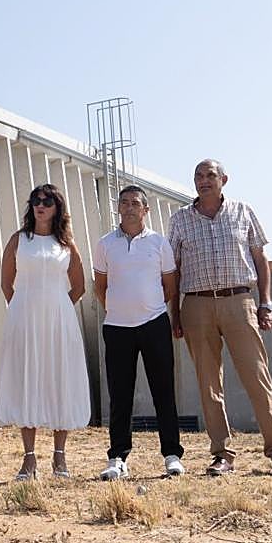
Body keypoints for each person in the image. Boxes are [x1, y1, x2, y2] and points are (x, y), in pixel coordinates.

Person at [168, 159, 272, 477]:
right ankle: (222, 454)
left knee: (257, 377)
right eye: (198, 175)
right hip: (195, 306)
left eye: (210, 175)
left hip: (239, 301)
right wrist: (175, 314)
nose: (204, 180)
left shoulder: (243, 211)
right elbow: (175, 270)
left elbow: (260, 259)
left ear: (224, 179)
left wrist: (266, 303)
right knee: (209, 385)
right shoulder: (180, 220)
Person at [0, 184, 89, 480]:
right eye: (36, 200)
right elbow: (6, 283)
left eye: (47, 201)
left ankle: (60, 458)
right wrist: (25, 308)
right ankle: (29, 459)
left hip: (60, 322)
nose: (41, 205)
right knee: (28, 380)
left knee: (60, 380)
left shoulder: (66, 244)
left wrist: (58, 306)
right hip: (24, 320)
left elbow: (80, 286)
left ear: (57, 207)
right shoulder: (19, 240)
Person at [93, 185, 184, 481]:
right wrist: (121, 308)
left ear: (146, 210)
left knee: (163, 391)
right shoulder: (106, 244)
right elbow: (100, 286)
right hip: (117, 327)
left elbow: (170, 285)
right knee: (120, 395)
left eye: (135, 203)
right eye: (124, 203)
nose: (130, 207)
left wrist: (148, 306)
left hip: (154, 323)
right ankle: (118, 457)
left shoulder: (159, 243)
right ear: (118, 208)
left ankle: (172, 454)